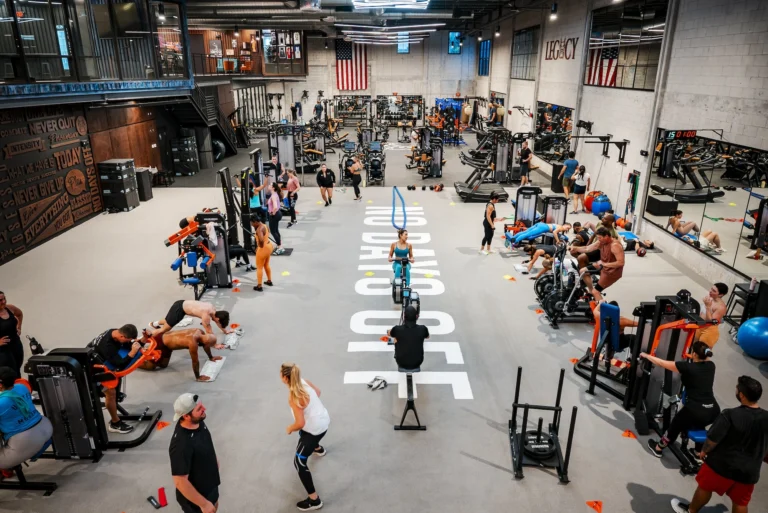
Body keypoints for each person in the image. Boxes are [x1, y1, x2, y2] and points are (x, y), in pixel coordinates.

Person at [670, 376, 768, 513]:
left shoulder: (730, 415)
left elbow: (713, 439)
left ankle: (691, 510)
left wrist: (703, 452)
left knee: (705, 488)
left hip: (721, 465)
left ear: (742, 395)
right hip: (749, 472)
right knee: (740, 502)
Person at [641, 342, 720, 459]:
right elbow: (703, 361)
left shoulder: (687, 367)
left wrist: (646, 356)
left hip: (695, 410)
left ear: (694, 354)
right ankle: (698, 452)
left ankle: (658, 448)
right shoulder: (711, 366)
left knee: (676, 425)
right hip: (713, 410)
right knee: (699, 422)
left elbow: (662, 363)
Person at [281, 363, 330, 512]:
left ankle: (314, 500)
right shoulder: (305, 381)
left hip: (313, 430)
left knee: (299, 462)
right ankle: (317, 448)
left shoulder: (294, 396)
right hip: (325, 421)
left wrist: (290, 428)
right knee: (305, 434)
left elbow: (300, 423)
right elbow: (318, 392)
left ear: (284, 378)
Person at [170, 393, 220, 513]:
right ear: (186, 416)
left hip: (210, 485)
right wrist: (204, 504)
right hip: (197, 499)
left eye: (201, 405)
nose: (204, 409)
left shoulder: (197, 421)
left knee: (215, 506)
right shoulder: (181, 444)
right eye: (199, 409)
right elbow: (180, 481)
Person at [91, 325, 142, 434]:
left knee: (115, 384)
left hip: (101, 360)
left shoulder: (114, 332)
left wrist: (143, 339)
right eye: (127, 340)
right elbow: (120, 364)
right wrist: (132, 352)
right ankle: (115, 423)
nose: (129, 342)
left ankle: (113, 400)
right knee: (111, 393)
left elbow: (128, 344)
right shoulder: (107, 346)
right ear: (122, 336)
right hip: (93, 370)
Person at [0, 367, 53, 471]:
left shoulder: (2, 403)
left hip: (26, 441)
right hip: (45, 429)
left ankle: (5, 471)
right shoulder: (22, 387)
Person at [139, 329, 223, 381]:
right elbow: (195, 361)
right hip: (160, 343)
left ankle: (145, 351)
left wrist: (211, 357)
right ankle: (135, 359)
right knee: (151, 367)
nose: (208, 347)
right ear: (206, 342)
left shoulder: (200, 331)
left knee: (164, 365)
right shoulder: (192, 343)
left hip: (167, 342)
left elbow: (206, 346)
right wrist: (198, 377)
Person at [572, 227, 625, 301]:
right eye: (598, 238)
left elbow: (621, 263)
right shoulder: (602, 242)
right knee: (583, 271)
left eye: (600, 238)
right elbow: (587, 248)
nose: (599, 240)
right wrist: (575, 248)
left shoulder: (615, 245)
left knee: (596, 292)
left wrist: (605, 264)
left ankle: (602, 311)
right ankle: (591, 291)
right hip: (603, 267)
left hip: (611, 272)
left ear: (606, 236)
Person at [149, 300, 231, 338]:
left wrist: (225, 331)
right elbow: (209, 332)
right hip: (179, 310)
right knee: (164, 330)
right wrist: (214, 345)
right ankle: (144, 338)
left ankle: (154, 324)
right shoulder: (206, 316)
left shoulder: (212, 309)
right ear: (217, 318)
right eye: (218, 321)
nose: (217, 323)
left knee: (169, 321)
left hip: (180, 303)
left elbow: (218, 323)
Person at [695, 283, 728, 348]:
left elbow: (710, 321)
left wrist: (708, 307)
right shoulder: (710, 298)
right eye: (711, 289)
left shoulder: (721, 307)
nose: (710, 291)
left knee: (701, 353)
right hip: (699, 326)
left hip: (708, 331)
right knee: (693, 349)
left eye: (714, 291)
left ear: (721, 294)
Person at [0, 292, 23, 379]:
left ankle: (18, 391)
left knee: (17, 370)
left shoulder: (10, 308)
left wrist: (19, 327)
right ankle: (9, 391)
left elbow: (20, 314)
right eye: (0, 300)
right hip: (3, 350)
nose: (3, 302)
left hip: (16, 345)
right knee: (9, 373)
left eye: (4, 298)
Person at [251, 212, 274, 292]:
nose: (251, 225)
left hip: (263, 249)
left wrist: (259, 246)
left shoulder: (259, 229)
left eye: (252, 223)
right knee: (266, 264)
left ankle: (259, 286)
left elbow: (260, 240)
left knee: (259, 267)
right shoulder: (265, 225)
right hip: (269, 246)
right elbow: (268, 233)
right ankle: (269, 281)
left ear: (255, 221)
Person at [505, 222, 572, 248]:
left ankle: (514, 238)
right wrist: (557, 240)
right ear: (565, 225)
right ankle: (514, 241)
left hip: (541, 224)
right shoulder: (561, 227)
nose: (566, 229)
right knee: (527, 234)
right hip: (543, 227)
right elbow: (554, 232)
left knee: (525, 232)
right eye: (567, 227)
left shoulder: (559, 225)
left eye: (568, 229)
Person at [268, 182, 286, 255]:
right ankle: (280, 245)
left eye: (270, 185)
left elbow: (275, 206)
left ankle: (280, 247)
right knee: (276, 230)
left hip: (275, 214)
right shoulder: (274, 194)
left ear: (273, 188)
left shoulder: (273, 196)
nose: (268, 186)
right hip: (278, 214)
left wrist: (272, 213)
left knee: (273, 231)